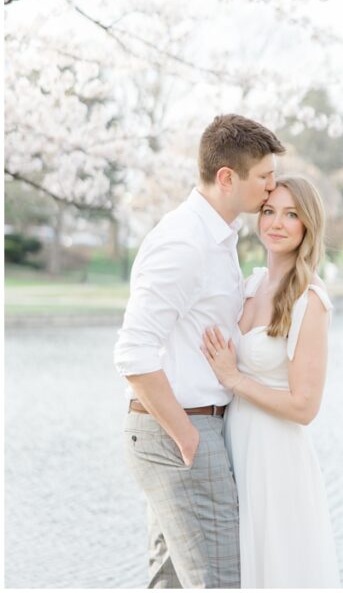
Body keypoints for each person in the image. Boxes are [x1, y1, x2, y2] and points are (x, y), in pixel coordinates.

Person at [114, 113, 285, 588]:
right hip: (180, 428)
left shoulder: (218, 237)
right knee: (223, 583)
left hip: (187, 426)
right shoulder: (184, 241)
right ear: (227, 178)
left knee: (169, 583)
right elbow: (133, 351)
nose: (272, 189)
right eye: (264, 178)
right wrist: (186, 436)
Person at [201, 175, 341, 587]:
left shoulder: (309, 300)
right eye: (269, 211)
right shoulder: (252, 284)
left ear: (307, 225)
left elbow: (305, 407)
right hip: (235, 445)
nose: (276, 223)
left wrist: (233, 378)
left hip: (275, 457)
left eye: (291, 214)